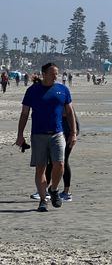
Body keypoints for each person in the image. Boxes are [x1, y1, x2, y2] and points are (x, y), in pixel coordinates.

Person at [16, 62, 78, 213]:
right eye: (52, 73)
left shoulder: (62, 90)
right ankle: (43, 200)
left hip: (57, 134)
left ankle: (54, 189)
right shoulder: (32, 91)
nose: (55, 76)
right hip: (38, 135)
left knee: (60, 164)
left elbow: (70, 113)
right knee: (40, 169)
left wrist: (73, 133)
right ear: (44, 74)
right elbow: (24, 114)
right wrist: (20, 135)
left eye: (57, 73)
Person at [31, 111, 80, 203]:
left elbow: (66, 113)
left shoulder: (62, 99)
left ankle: (66, 192)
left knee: (62, 161)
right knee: (52, 162)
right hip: (57, 131)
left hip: (65, 132)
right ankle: (44, 190)